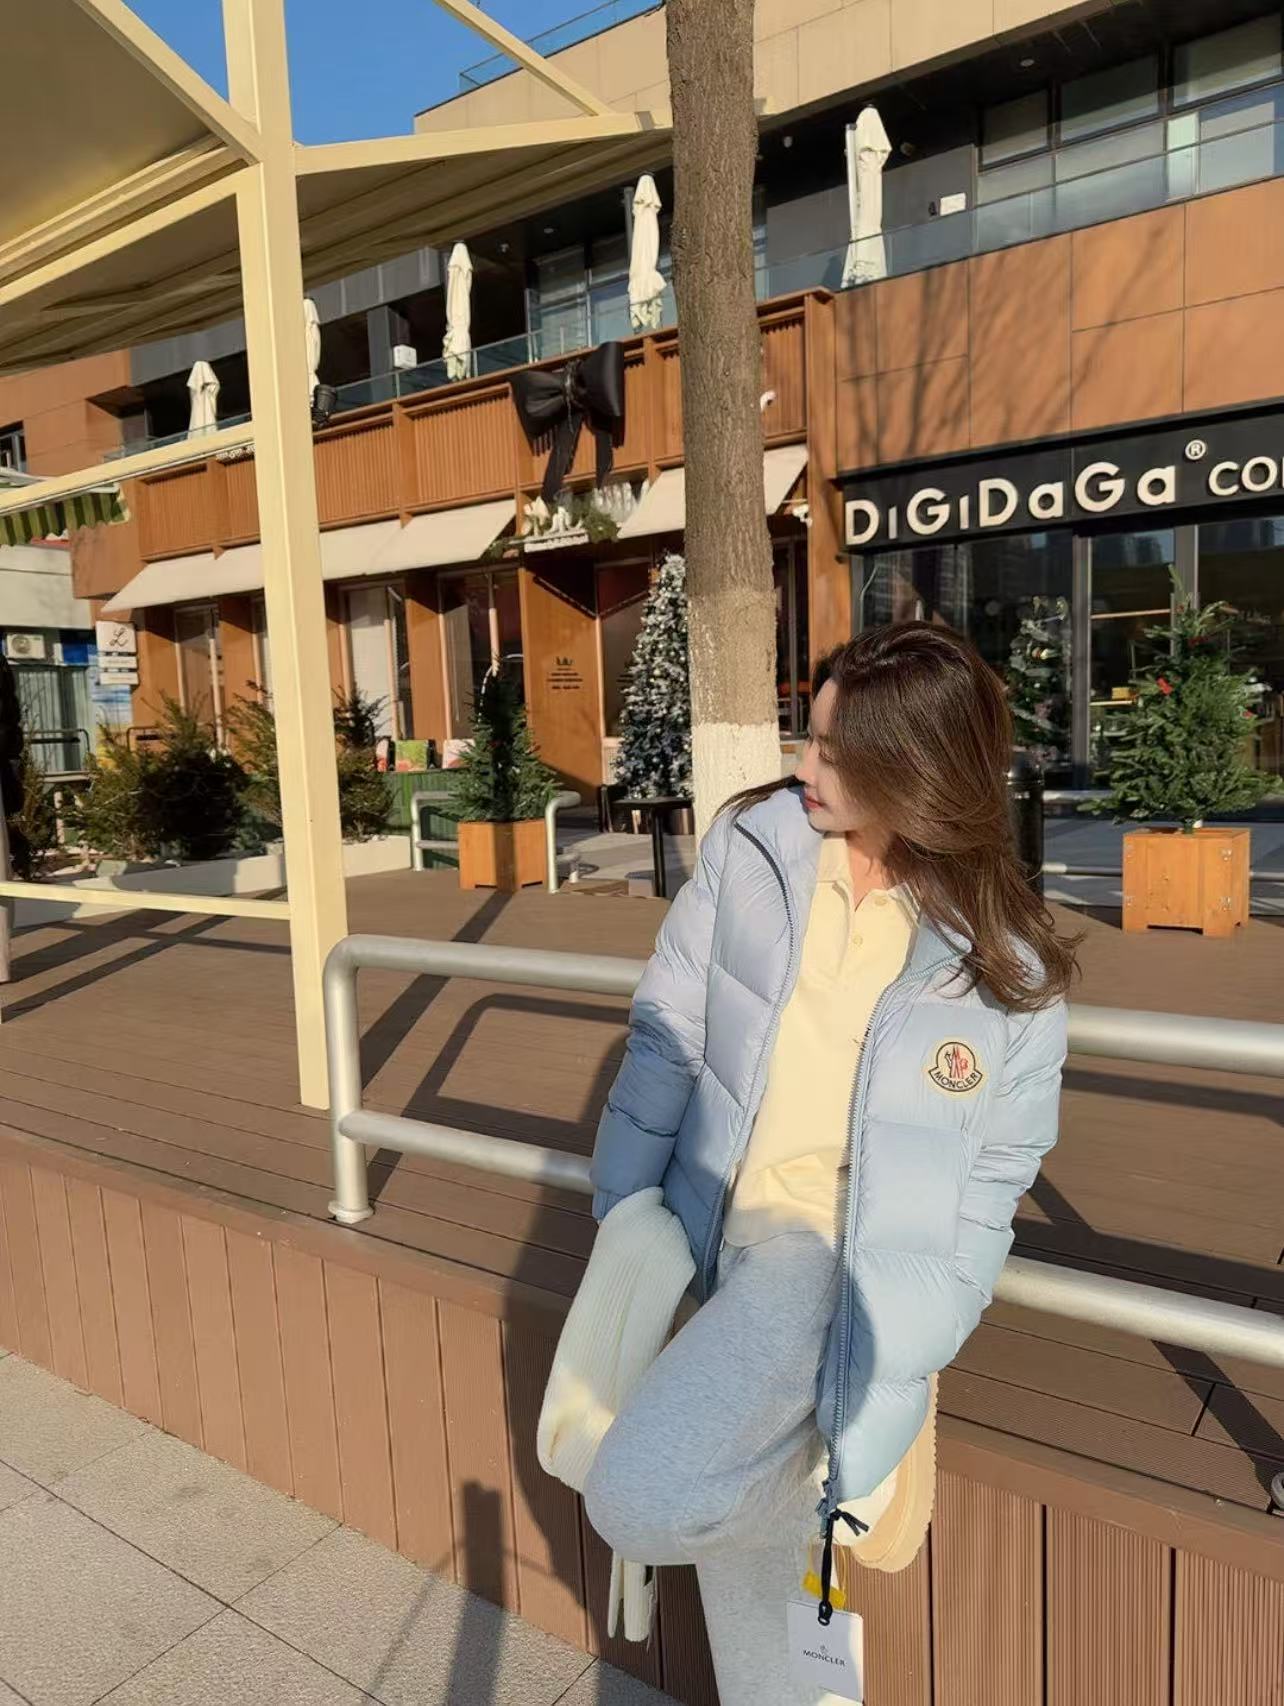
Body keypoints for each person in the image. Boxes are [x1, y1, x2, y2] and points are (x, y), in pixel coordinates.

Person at [578, 622, 1076, 1703]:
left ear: (916, 767)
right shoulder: (754, 845)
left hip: (825, 1256)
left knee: (639, 1498)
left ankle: (837, 1492)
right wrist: (624, 1204)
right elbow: (671, 1025)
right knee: (753, 1594)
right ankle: (823, 1501)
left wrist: (923, 1325)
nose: (804, 765)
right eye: (808, 735)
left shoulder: (1004, 958)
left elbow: (999, 1168)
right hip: (717, 1235)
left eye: (835, 752)